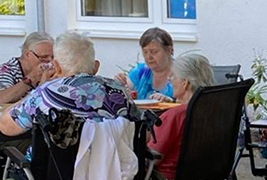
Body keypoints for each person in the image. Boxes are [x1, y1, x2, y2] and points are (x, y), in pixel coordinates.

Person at [0, 31, 134, 138]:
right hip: (113, 169)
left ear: (57, 67)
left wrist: (39, 89)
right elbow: (144, 135)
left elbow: (5, 126)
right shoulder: (118, 89)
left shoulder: (46, 93)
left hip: (58, 170)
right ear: (96, 66)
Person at [150, 52, 215, 180]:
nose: (169, 79)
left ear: (185, 83)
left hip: (167, 174)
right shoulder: (211, 109)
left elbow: (152, 157)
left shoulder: (175, 116)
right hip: (202, 169)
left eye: (173, 76)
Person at [114, 27, 175, 100]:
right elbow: (127, 86)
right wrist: (120, 82)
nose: (149, 57)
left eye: (154, 52)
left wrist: (169, 101)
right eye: (145, 52)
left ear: (169, 50)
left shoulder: (182, 73)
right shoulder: (141, 71)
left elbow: (186, 103)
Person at [0, 32, 55, 106]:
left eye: (52, 57)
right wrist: (31, 79)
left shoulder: (53, 70)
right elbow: (2, 99)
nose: (50, 62)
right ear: (27, 54)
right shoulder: (8, 70)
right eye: (44, 57)